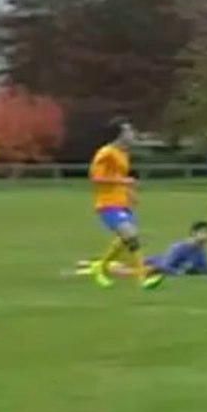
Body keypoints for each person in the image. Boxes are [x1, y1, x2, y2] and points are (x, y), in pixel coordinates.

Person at [87, 119, 163, 290]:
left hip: (122, 203)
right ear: (119, 134)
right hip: (107, 204)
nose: (132, 134)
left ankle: (101, 267)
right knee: (131, 236)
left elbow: (118, 178)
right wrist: (123, 181)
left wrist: (130, 193)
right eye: (128, 131)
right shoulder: (105, 153)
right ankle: (142, 278)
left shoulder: (123, 154)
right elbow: (95, 178)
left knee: (126, 238)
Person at [72, 221, 207, 278]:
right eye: (204, 232)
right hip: (152, 263)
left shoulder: (200, 250)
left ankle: (93, 266)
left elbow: (204, 266)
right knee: (144, 269)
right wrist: (178, 273)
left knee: (120, 264)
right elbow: (165, 265)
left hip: (156, 267)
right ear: (194, 233)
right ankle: (92, 267)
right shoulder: (180, 247)